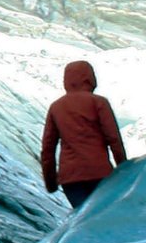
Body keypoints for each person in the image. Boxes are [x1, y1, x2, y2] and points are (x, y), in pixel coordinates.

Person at [40, 59, 127, 213]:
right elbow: (114, 139)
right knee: (102, 216)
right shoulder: (99, 102)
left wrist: (50, 182)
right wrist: (125, 170)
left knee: (83, 217)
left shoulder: (56, 107)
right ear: (90, 79)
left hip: (70, 178)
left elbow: (48, 149)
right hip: (100, 174)